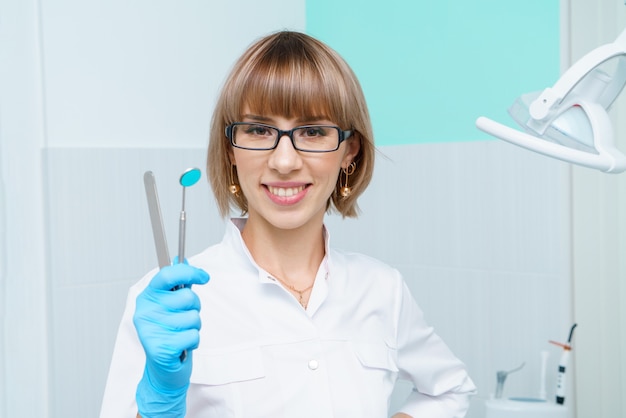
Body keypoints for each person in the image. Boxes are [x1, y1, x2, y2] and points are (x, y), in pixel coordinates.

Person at [100, 30, 476, 418]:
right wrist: (159, 398)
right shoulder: (169, 304)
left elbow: (449, 390)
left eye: (312, 132)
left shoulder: (382, 289)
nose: (284, 161)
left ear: (349, 151)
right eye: (259, 131)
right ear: (230, 149)